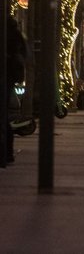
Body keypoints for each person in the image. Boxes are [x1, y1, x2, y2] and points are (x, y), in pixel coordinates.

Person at [5, 16, 27, 164]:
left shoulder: (9, 35)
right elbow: (25, 54)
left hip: (6, 76)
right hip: (10, 77)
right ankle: (7, 152)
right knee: (5, 117)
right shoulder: (17, 34)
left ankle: (6, 153)